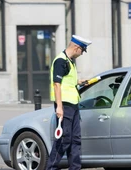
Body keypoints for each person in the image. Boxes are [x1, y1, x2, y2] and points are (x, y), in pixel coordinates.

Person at [46, 35, 92, 170]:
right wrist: (59, 107)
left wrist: (78, 81)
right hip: (64, 105)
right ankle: (51, 167)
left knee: (75, 140)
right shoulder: (60, 61)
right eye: (82, 50)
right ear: (76, 48)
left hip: (73, 105)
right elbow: (56, 84)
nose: (82, 54)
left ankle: (75, 168)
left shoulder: (69, 61)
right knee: (64, 140)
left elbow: (66, 81)